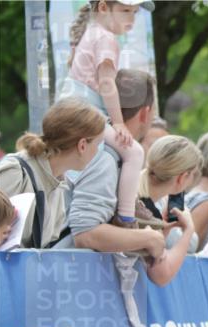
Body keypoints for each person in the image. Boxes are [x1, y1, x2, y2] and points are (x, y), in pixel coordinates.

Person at [64, 70, 194, 286]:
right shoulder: (105, 156)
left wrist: (150, 233)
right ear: (145, 113)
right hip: (70, 289)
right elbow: (84, 233)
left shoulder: (111, 154)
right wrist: (148, 238)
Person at [61, 0, 154, 225]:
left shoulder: (92, 32)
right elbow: (106, 84)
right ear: (103, 7)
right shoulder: (106, 38)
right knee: (135, 153)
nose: (131, 18)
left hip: (72, 108)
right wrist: (119, 123)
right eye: (124, 11)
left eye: (133, 12)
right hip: (85, 112)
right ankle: (126, 215)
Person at [0, 97, 105, 248]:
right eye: (98, 144)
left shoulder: (58, 185)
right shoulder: (16, 173)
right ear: (82, 145)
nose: (98, 151)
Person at [138, 135, 203, 251]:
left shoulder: (130, 188)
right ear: (183, 177)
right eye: (193, 175)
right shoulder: (149, 208)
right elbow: (191, 246)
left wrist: (165, 228)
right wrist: (188, 228)